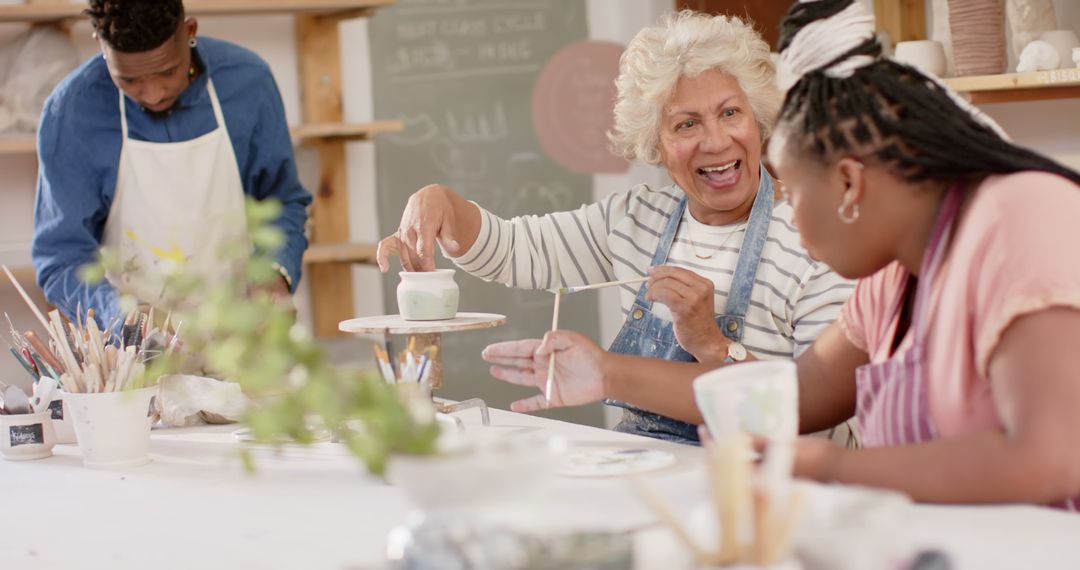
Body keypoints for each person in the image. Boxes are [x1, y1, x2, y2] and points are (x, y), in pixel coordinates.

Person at [482, 0, 1080, 509]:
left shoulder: (1019, 217)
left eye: (791, 190)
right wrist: (609, 373)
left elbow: (1045, 461)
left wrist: (823, 468)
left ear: (848, 184)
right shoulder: (895, 278)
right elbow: (792, 393)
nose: (789, 216)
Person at [376, 11, 853, 444]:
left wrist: (713, 344)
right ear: (656, 145)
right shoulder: (634, 219)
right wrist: (441, 204)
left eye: (731, 113)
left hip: (767, 487)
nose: (715, 140)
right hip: (649, 470)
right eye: (686, 125)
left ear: (759, 119)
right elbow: (518, 250)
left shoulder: (819, 240)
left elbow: (823, 421)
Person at [32, 0, 311, 327]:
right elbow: (62, 259)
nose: (152, 94)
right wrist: (121, 315)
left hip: (240, 334)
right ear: (101, 45)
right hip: (136, 349)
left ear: (189, 31)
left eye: (167, 71)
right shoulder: (72, 112)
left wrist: (275, 274)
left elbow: (282, 202)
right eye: (129, 79)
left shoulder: (248, 83)